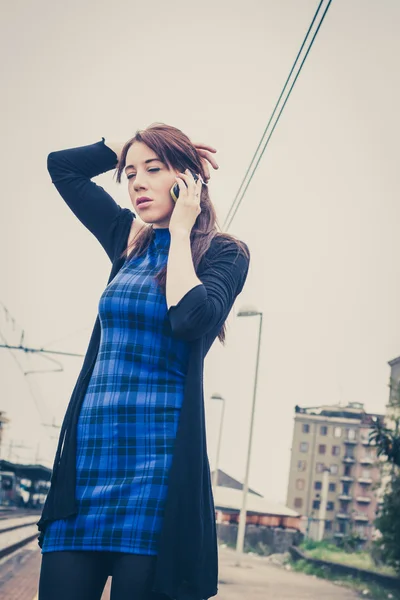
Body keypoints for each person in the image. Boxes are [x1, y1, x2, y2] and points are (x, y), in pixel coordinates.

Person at [37, 122, 251, 600]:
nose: (135, 182)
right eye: (129, 172)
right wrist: (132, 143)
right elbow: (63, 168)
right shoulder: (125, 240)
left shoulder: (224, 253)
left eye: (153, 170)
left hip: (157, 477)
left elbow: (191, 318)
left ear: (188, 180)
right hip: (87, 471)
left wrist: (179, 232)